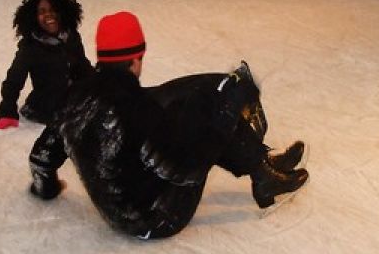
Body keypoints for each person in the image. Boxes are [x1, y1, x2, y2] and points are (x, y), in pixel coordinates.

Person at [28, 12, 309, 239]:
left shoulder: (75, 96)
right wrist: (226, 111)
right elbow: (186, 170)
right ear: (136, 59)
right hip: (156, 218)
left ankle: (261, 167)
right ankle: (263, 173)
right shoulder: (138, 109)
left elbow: (41, 158)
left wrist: (46, 187)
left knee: (202, 98)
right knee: (213, 111)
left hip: (120, 209)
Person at [0, 0, 92, 129]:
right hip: (44, 110)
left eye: (53, 10)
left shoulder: (71, 37)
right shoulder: (31, 47)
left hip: (74, 105)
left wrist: (100, 87)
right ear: (34, 18)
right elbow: (14, 79)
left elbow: (82, 67)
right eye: (42, 12)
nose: (48, 15)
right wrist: (7, 113)